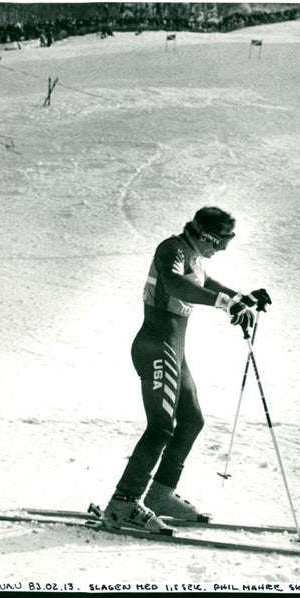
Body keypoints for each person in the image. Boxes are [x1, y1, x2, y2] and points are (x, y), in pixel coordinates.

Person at [104, 206, 272, 532]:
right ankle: (122, 503)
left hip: (173, 351)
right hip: (156, 347)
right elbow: (176, 284)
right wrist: (227, 304)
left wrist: (242, 297)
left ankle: (160, 494)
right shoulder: (173, 249)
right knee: (161, 427)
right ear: (205, 235)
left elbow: (205, 283)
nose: (223, 248)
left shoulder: (193, 255)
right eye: (221, 240)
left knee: (192, 420)